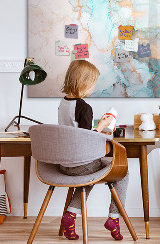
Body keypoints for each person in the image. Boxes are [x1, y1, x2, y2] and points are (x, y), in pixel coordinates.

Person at [58, 60, 129, 241]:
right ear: (84, 83)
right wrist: (103, 127)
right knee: (123, 172)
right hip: (81, 164)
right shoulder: (84, 107)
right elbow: (86, 139)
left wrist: (99, 128)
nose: (93, 88)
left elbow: (75, 133)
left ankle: (71, 216)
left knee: (88, 176)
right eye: (93, 84)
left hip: (64, 164)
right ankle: (114, 218)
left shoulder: (63, 103)